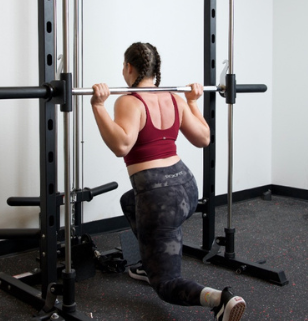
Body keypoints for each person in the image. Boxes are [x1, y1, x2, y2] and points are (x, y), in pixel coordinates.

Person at [90, 42, 247, 321]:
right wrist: (193, 102)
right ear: (155, 69)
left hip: (159, 200)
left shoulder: (129, 100)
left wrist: (98, 106)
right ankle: (146, 262)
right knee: (129, 200)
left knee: (165, 285)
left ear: (128, 67)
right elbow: (204, 138)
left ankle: (220, 299)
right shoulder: (174, 98)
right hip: (187, 189)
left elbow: (121, 146)